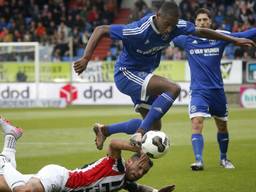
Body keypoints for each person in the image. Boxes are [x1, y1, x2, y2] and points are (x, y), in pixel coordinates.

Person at [73, 1, 255, 149]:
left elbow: (201, 31)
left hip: (142, 74)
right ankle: (139, 133)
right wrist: (86, 58)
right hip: (126, 74)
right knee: (173, 88)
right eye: (167, 24)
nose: (169, 30)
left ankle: (105, 130)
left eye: (173, 25)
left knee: (155, 126)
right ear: (158, 16)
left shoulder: (176, 26)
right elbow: (101, 30)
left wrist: (234, 39)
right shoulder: (138, 30)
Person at [171, 8, 256, 170]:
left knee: (222, 126)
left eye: (205, 20)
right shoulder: (186, 39)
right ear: (195, 23)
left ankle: (224, 159)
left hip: (217, 92)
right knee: (197, 123)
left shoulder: (220, 36)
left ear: (210, 22)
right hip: (198, 92)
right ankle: (198, 161)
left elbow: (240, 36)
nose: (202, 22)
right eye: (199, 20)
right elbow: (166, 35)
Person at [0, 117, 175, 192]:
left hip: (61, 189)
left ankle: (11, 137)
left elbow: (139, 189)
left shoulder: (123, 181)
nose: (139, 173)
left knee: (3, 184)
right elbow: (114, 144)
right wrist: (140, 149)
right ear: (130, 161)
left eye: (143, 173)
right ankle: (3, 161)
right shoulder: (117, 165)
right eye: (140, 167)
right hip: (60, 178)